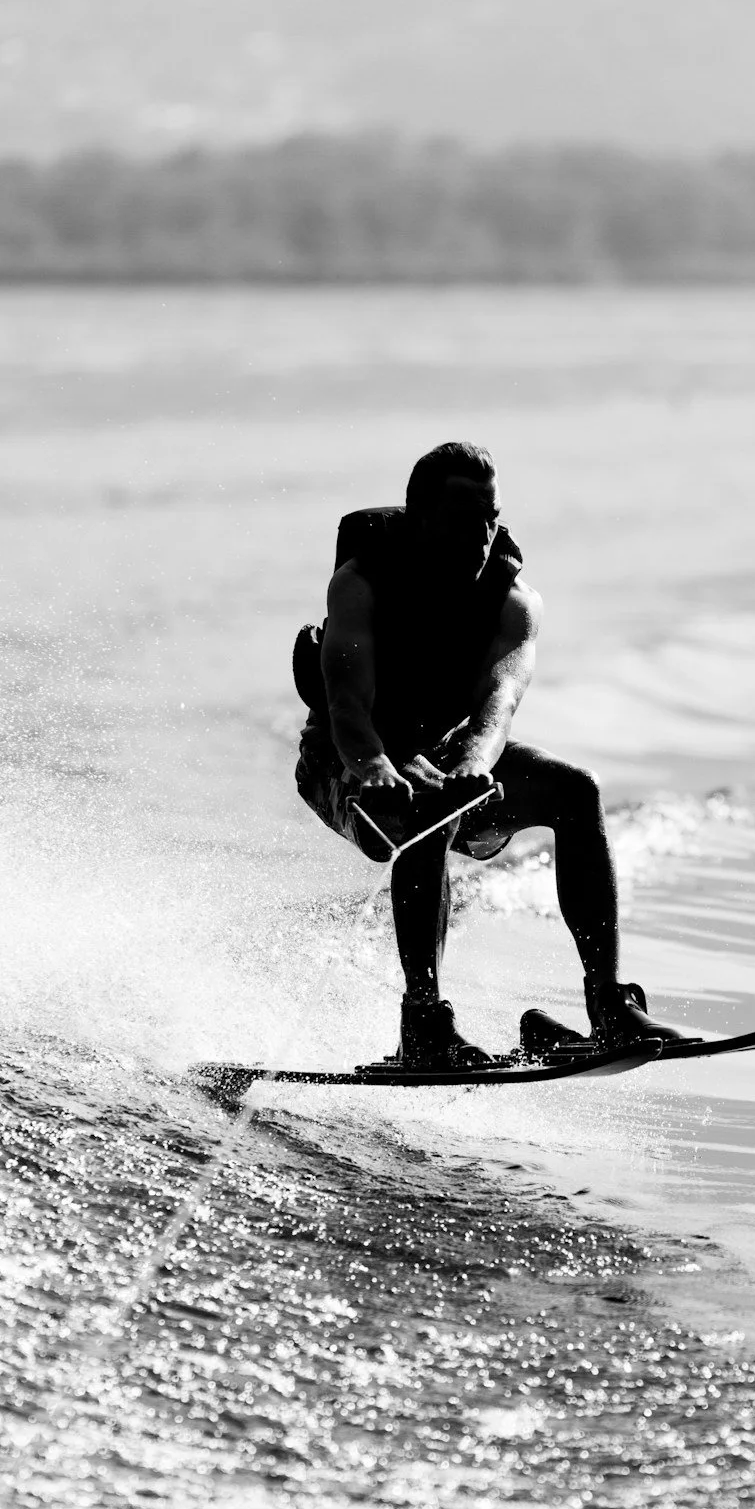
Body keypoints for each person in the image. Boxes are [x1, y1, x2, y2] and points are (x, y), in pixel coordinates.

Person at [292, 441, 689, 1067]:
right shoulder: (360, 585)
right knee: (426, 806)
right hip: (344, 765)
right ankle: (424, 1022)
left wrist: (473, 762)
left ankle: (609, 1007)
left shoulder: (513, 602)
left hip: (456, 757)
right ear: (419, 518)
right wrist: (377, 771)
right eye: (463, 518)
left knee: (575, 791)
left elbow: (499, 702)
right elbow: (347, 705)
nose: (482, 533)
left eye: (491, 517)